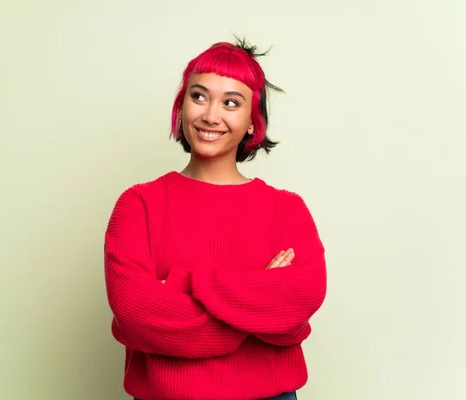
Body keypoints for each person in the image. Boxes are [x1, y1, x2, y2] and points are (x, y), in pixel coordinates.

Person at [103, 37, 327, 400]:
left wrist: (183, 284)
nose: (210, 115)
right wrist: (256, 302)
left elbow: (301, 299)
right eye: (199, 96)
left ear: (253, 123)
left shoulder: (286, 209)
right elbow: (135, 314)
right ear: (182, 108)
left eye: (231, 103)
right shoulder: (139, 204)